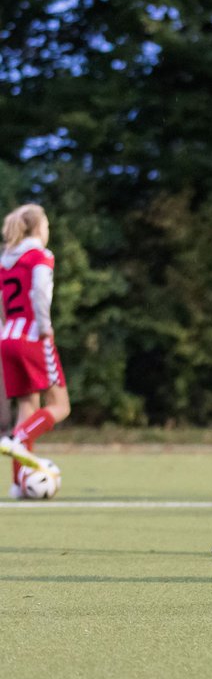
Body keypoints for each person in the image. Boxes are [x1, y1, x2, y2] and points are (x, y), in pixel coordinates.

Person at [0, 205, 71, 498]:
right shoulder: (41, 255)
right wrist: (45, 327)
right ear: (38, 228)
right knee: (60, 406)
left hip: (7, 336)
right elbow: (40, 290)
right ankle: (18, 439)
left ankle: (19, 483)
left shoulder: (5, 260)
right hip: (33, 335)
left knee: (27, 408)